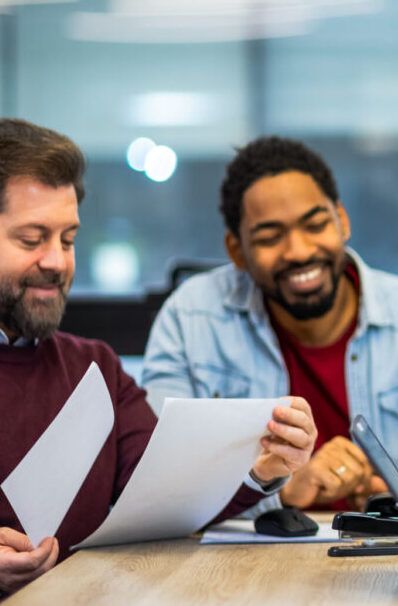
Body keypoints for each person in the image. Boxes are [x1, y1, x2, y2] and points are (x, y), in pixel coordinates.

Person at [0, 119, 317, 596]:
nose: (58, 262)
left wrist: (263, 470)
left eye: (67, 239)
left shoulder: (95, 369)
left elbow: (166, 499)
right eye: (31, 240)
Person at [141, 136, 398, 510]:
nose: (300, 251)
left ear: (342, 220)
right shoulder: (190, 318)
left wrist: (375, 486)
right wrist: (281, 490)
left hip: (379, 557)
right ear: (236, 250)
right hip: (247, 560)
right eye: (270, 237)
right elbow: (157, 485)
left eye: (315, 224)